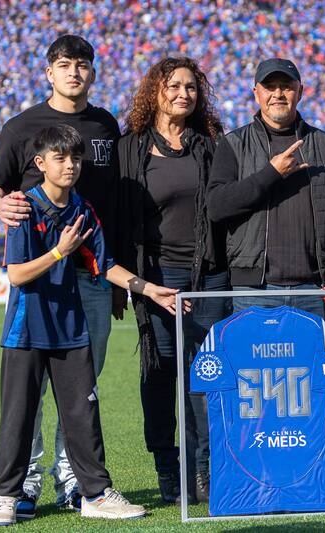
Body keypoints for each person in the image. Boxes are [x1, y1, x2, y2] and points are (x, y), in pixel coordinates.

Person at [0, 124, 182, 526]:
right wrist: (60, 252)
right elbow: (17, 275)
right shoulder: (24, 207)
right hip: (26, 330)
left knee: (83, 413)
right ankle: (6, 494)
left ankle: (95, 493)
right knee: (19, 414)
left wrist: (149, 290)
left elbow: (105, 265)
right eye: (60, 158)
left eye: (75, 158)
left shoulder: (82, 210)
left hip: (71, 329)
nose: (70, 165)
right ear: (40, 163)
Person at [0, 35, 122, 516]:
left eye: (82, 64)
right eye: (64, 65)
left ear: (93, 72)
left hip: (93, 275)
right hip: (41, 280)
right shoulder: (21, 127)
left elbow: (113, 200)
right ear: (49, 72)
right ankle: (25, 484)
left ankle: (76, 482)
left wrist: (118, 280)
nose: (74, 72)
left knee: (80, 388)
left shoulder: (105, 125)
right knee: (31, 391)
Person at [116, 57, 228, 504]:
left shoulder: (212, 144)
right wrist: (126, 283)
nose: (184, 93)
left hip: (210, 275)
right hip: (157, 279)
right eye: (174, 86)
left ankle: (203, 470)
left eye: (191, 87)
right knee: (160, 375)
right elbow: (119, 219)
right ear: (154, 91)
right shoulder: (130, 148)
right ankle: (168, 468)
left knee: (207, 374)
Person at [206, 58, 325, 315]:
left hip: (314, 288)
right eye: (270, 87)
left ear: (300, 91)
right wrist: (271, 173)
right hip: (253, 289)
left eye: (286, 86)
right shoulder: (233, 144)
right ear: (256, 93)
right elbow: (217, 207)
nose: (278, 94)